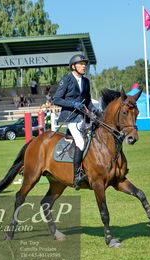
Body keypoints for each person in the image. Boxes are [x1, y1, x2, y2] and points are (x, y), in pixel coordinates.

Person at [53, 54, 99, 190]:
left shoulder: (86, 81)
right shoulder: (66, 80)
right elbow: (56, 99)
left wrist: (95, 110)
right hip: (70, 116)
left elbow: (88, 101)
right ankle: (76, 175)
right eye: (81, 64)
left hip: (83, 116)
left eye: (85, 64)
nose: (84, 66)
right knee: (80, 142)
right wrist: (72, 103)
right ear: (73, 66)